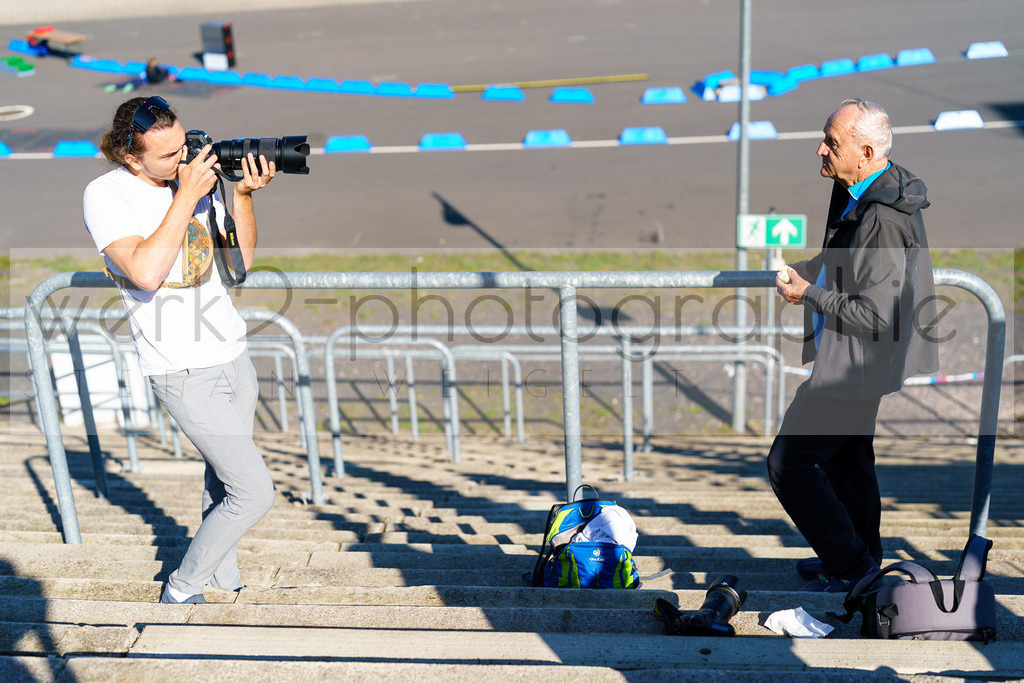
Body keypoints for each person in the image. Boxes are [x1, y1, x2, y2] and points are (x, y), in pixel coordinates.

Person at [83, 96, 277, 604]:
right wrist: (186, 195)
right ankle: (182, 587)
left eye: (184, 145)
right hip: (182, 369)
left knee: (225, 484)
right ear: (132, 158)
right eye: (168, 155)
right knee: (254, 492)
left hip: (232, 354)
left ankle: (224, 579)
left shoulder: (193, 181)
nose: (183, 158)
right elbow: (145, 272)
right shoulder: (107, 195)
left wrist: (242, 197)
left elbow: (238, 264)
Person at [769, 99, 939, 592]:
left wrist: (809, 294)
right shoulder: (864, 187)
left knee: (789, 464)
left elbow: (876, 314)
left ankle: (851, 566)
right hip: (860, 364)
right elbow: (852, 259)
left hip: (853, 368)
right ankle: (860, 560)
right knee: (848, 462)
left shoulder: (881, 217)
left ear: (865, 152)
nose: (820, 149)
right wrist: (813, 270)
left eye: (832, 142)